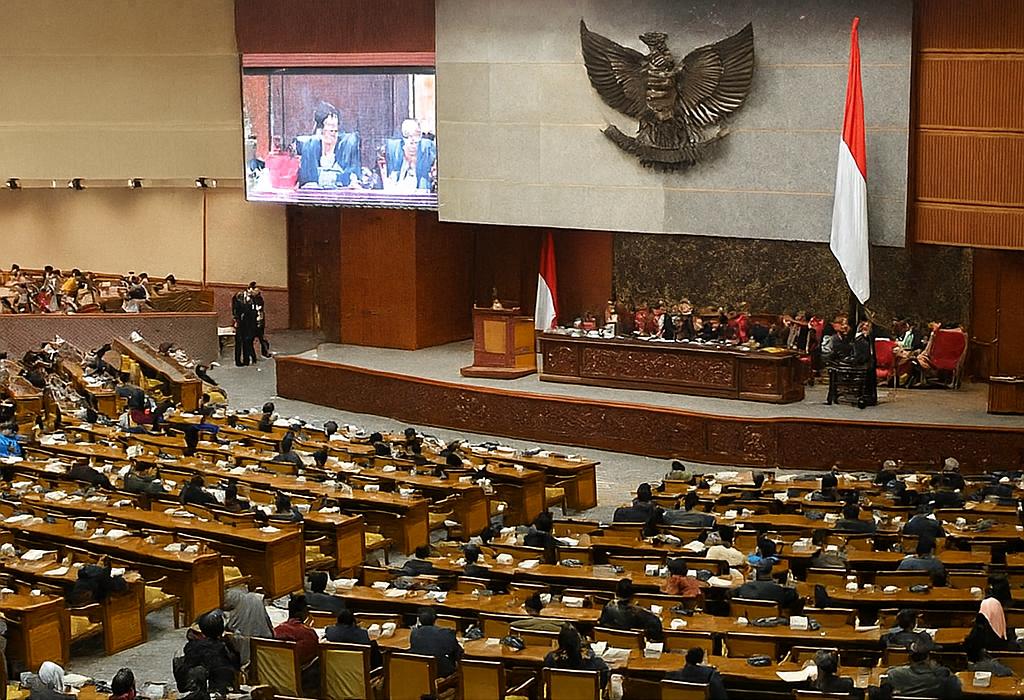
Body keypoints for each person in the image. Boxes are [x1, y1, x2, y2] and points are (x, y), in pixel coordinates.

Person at [297, 101, 361, 189]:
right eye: (330, 125)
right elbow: (307, 181)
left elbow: (351, 178)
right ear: (320, 129)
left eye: (335, 127)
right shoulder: (309, 146)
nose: (333, 131)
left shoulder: (347, 146)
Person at [181, 610, 241, 695]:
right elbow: (236, 665)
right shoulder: (226, 647)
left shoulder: (192, 646)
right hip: (224, 689)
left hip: (197, 690)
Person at [886, 639, 963, 699]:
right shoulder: (944, 676)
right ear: (928, 658)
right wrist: (936, 669)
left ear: (909, 658)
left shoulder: (894, 674)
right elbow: (956, 691)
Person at [273, 595, 320, 693]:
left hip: (276, 675)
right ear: (304, 613)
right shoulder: (309, 634)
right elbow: (312, 654)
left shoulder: (276, 630)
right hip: (301, 678)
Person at [542, 625, 610, 689]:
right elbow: (603, 682)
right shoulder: (596, 664)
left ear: (559, 642)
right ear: (579, 643)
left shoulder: (550, 660)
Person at [378, 118, 436, 192]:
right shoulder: (395, 156)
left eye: (416, 135)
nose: (412, 140)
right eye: (407, 135)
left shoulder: (427, 150)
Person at [598, 578, 663, 641]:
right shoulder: (639, 613)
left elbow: (602, 625)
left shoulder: (607, 608)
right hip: (632, 645)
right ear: (632, 597)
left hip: (611, 643)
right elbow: (656, 626)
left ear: (615, 594)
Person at [222, 586, 273, 666]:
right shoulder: (256, 598)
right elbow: (269, 625)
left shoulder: (230, 598)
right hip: (265, 652)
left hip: (245, 653)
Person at [409, 607, 463, 677]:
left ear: (419, 620)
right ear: (435, 620)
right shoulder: (447, 633)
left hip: (421, 672)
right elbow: (458, 653)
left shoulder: (414, 633)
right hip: (442, 673)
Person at [734, 560, 799, 610]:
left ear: (755, 572)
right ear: (771, 571)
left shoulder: (744, 587)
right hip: (772, 621)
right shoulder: (778, 590)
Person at [248, 282, 271, 358]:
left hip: (259, 320)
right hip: (252, 321)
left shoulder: (259, 298)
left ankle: (265, 352)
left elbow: (260, 309)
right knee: (251, 338)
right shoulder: (248, 298)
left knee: (261, 337)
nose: (257, 291)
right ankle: (252, 354)